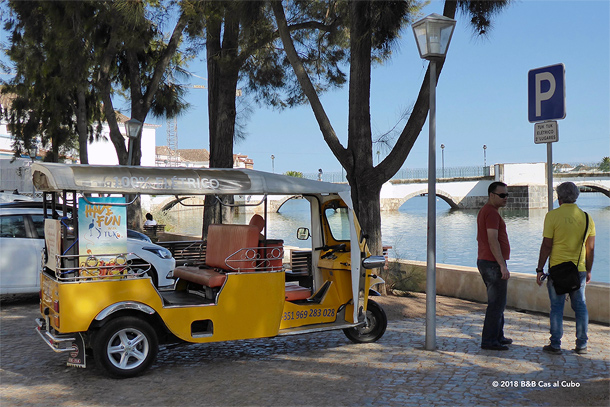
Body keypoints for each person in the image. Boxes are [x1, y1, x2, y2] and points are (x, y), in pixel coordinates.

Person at [536, 182, 595, 355]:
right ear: (576, 196)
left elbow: (547, 245)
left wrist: (539, 269)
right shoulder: (586, 217)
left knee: (556, 307)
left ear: (559, 198)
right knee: (580, 306)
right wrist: (588, 270)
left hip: (557, 270)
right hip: (579, 270)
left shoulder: (552, 216)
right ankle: (582, 344)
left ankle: (555, 344)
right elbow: (590, 248)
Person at [476, 181, 512, 351]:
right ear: (492, 195)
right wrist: (502, 265)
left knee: (499, 302)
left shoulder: (489, 211)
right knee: (496, 304)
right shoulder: (490, 213)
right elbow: (492, 239)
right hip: (491, 263)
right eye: (502, 195)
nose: (506, 198)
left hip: (489, 261)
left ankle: (498, 335)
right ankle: (490, 340)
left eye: (507, 195)